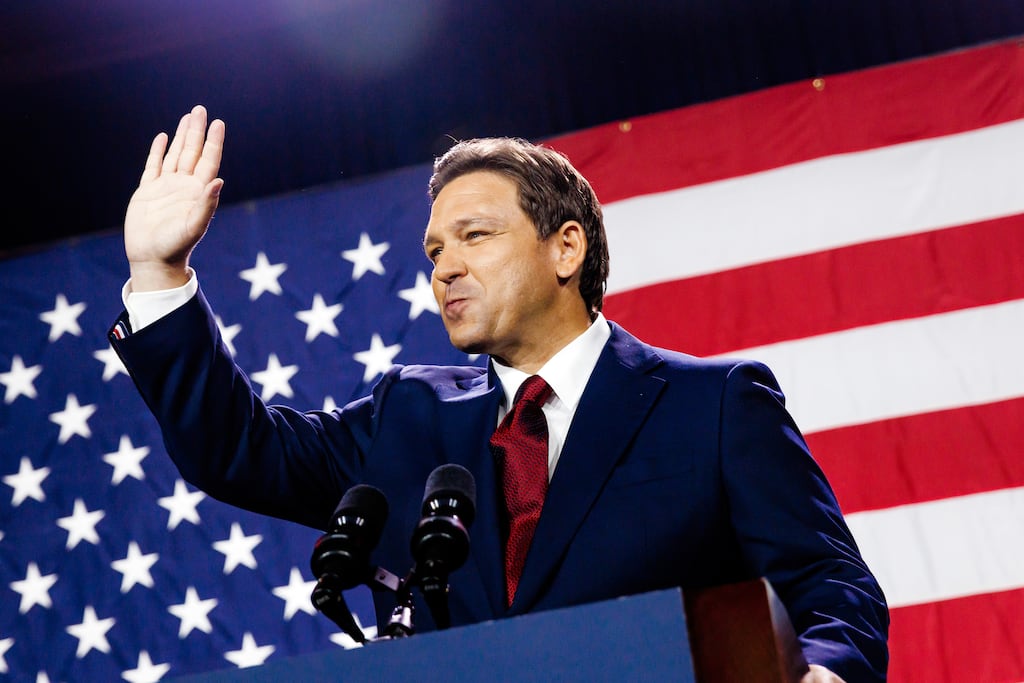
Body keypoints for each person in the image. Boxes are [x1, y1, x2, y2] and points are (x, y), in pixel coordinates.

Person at [109, 105, 888, 682]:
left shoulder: (713, 405)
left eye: (475, 236)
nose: (444, 267)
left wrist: (825, 672)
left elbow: (831, 585)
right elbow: (238, 450)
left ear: (566, 247)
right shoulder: (404, 419)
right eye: (434, 250)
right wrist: (158, 273)